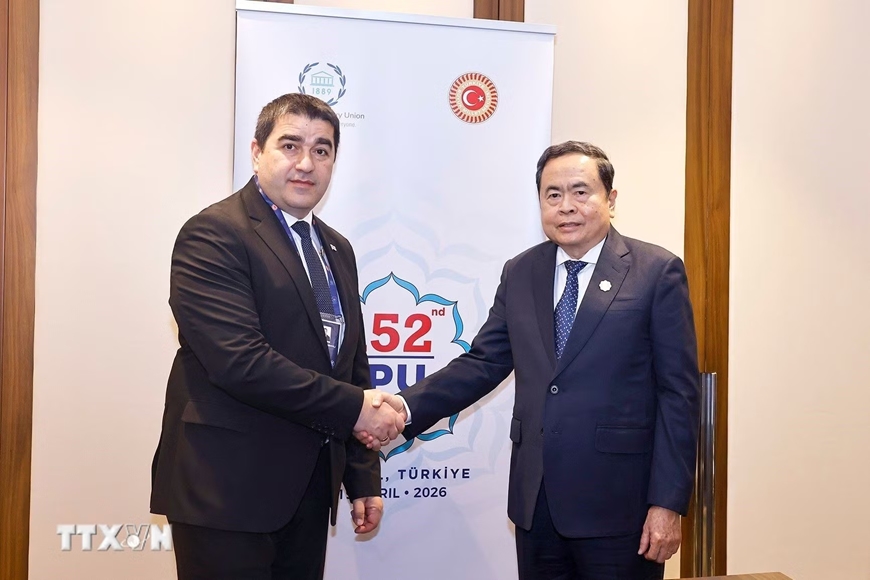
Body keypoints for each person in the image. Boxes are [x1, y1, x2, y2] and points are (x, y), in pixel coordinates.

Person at [366, 141, 700, 579]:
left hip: (622, 507)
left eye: (581, 192)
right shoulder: (521, 272)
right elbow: (484, 363)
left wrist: (667, 502)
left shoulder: (656, 271)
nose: (566, 206)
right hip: (536, 500)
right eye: (553, 194)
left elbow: (678, 394)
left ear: (611, 199)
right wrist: (404, 407)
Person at [150, 93, 404, 580]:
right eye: (290, 146)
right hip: (225, 490)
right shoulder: (213, 234)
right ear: (256, 152)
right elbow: (240, 362)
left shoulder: (336, 248)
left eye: (322, 150)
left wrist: (362, 475)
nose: (306, 163)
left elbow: (350, 366)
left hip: (308, 489)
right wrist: (357, 407)